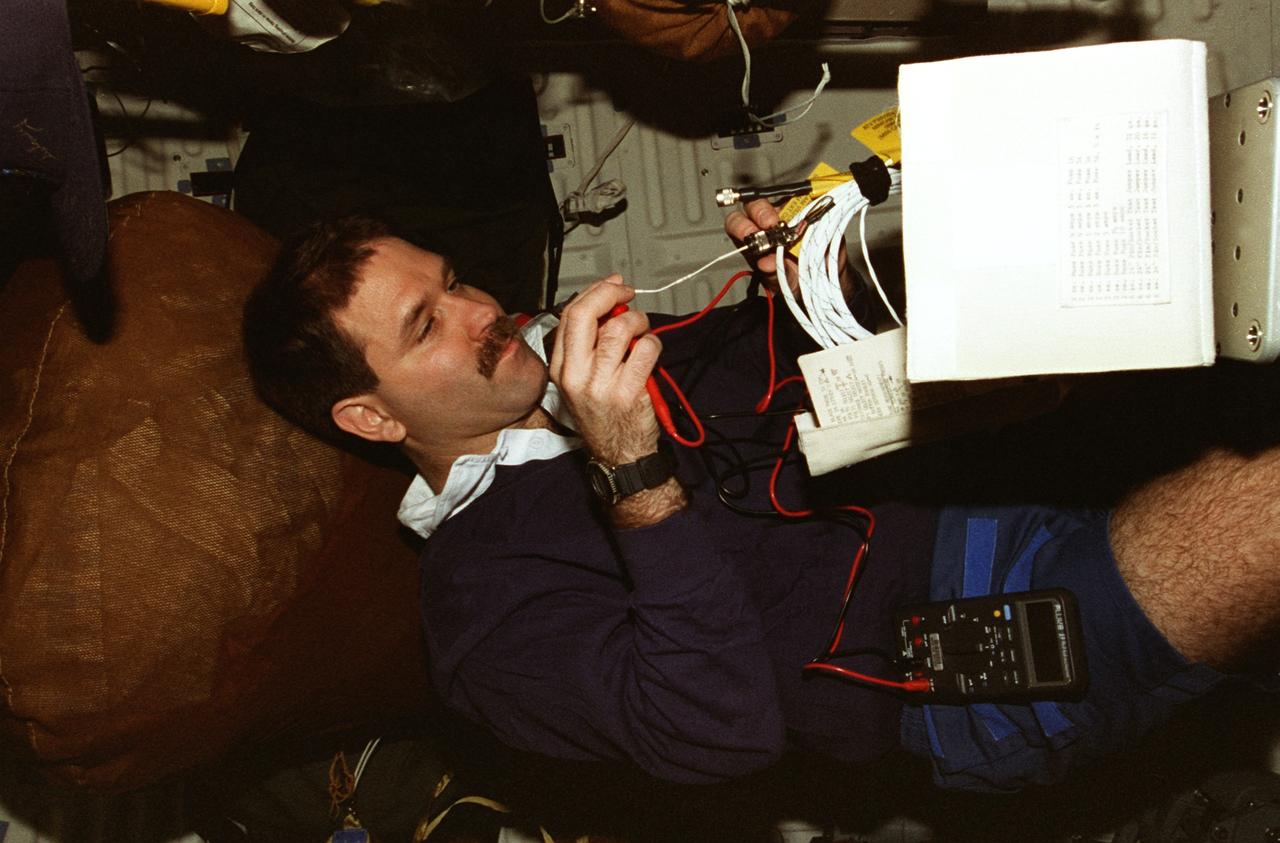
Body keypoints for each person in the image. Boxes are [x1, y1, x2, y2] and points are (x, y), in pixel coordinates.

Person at [242, 203, 1280, 794]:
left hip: (999, 490)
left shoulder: (603, 363)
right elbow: (714, 735)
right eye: (425, 325)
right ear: (372, 420)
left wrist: (820, 263)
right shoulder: (481, 618)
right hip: (952, 649)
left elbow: (841, 383)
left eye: (456, 280)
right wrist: (629, 472)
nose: (478, 312)